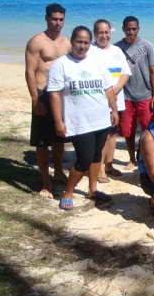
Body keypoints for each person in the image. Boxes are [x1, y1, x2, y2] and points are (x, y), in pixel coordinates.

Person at [48, 26, 119, 210]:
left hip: (101, 119)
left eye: (86, 42)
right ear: (72, 41)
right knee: (84, 159)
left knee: (96, 157)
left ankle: (92, 190)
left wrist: (114, 110)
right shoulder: (61, 64)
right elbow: (54, 95)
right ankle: (68, 192)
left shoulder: (96, 62)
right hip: (80, 122)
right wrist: (58, 121)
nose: (83, 46)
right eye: (79, 41)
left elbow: (108, 89)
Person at [25, 3, 71, 198]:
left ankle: (59, 171)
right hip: (43, 94)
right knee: (43, 142)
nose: (57, 23)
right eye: (54, 19)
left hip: (61, 96)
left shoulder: (67, 43)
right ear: (46, 18)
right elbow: (29, 72)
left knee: (59, 137)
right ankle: (45, 181)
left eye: (61, 19)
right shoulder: (36, 41)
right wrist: (36, 100)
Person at [115, 16, 154, 170]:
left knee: (149, 129)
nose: (131, 32)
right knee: (128, 130)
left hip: (145, 95)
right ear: (123, 29)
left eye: (134, 29)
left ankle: (146, 157)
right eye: (128, 29)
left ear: (138, 29)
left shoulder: (147, 46)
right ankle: (131, 159)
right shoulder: (117, 48)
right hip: (125, 96)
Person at [91, 19, 131, 183]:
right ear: (94, 33)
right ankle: (99, 168)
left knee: (112, 133)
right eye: (100, 32)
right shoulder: (90, 51)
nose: (104, 35)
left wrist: (114, 90)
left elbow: (125, 73)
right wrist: (107, 93)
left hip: (117, 99)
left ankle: (109, 164)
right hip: (99, 100)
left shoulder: (116, 50)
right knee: (101, 135)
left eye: (106, 32)